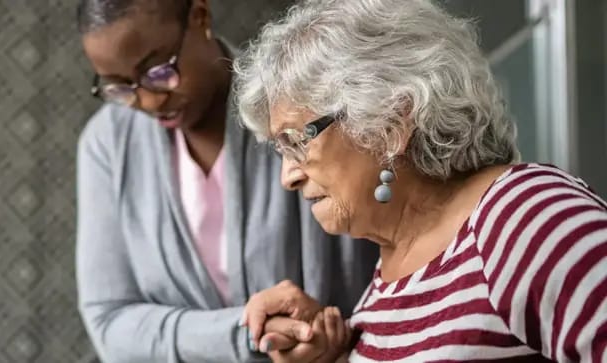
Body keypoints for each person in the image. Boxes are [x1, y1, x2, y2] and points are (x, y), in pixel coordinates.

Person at [234, 0, 607, 361]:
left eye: (297, 141)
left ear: (390, 125)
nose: (288, 177)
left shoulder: (522, 215)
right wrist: (330, 355)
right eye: (279, 150)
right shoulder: (388, 275)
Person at [73, 0, 378, 361]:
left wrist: (328, 343)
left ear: (200, 16)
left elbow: (389, 257)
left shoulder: (303, 106)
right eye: (120, 87)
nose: (149, 100)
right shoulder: (108, 144)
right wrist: (249, 332)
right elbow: (110, 321)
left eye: (157, 71)